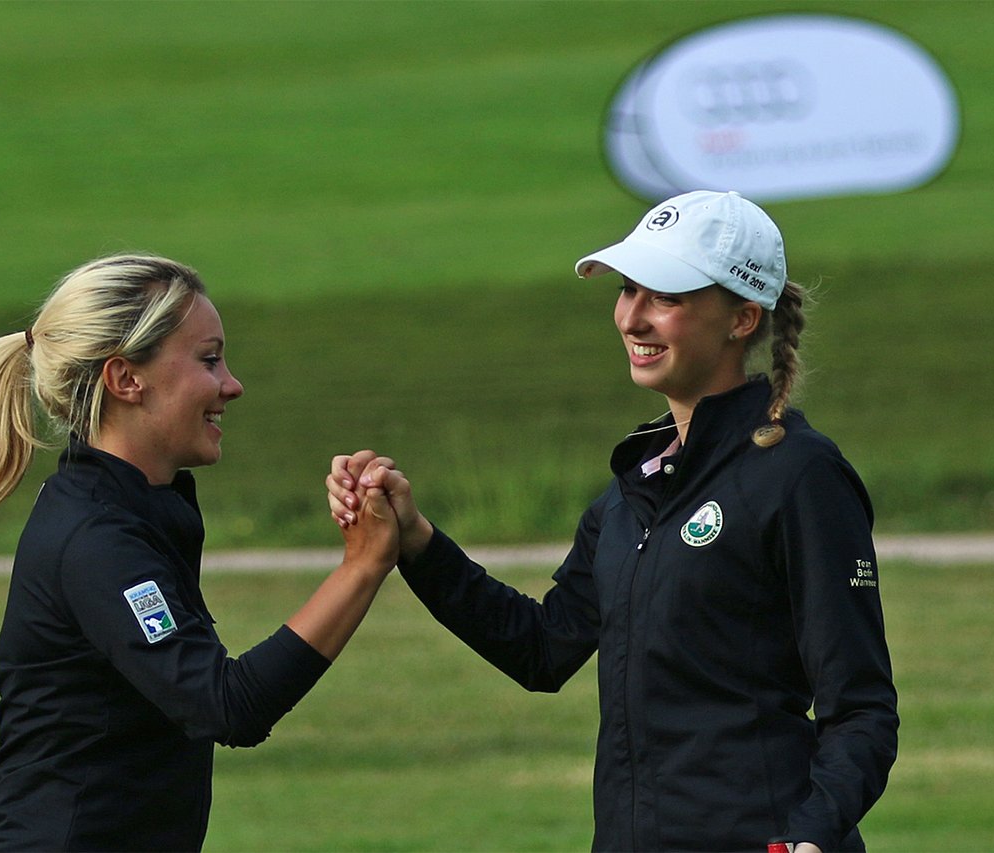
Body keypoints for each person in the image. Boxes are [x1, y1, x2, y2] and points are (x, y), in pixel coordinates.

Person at [328, 191, 898, 852]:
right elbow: (542, 648)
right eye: (628, 290)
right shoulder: (635, 489)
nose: (633, 317)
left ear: (743, 319)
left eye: (666, 297)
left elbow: (861, 709)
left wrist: (810, 838)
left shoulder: (801, 473)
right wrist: (416, 540)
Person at [0, 254, 400, 851]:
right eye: (209, 360)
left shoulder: (136, 508)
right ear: (125, 379)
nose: (232, 385)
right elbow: (226, 705)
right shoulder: (97, 539)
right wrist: (362, 566)